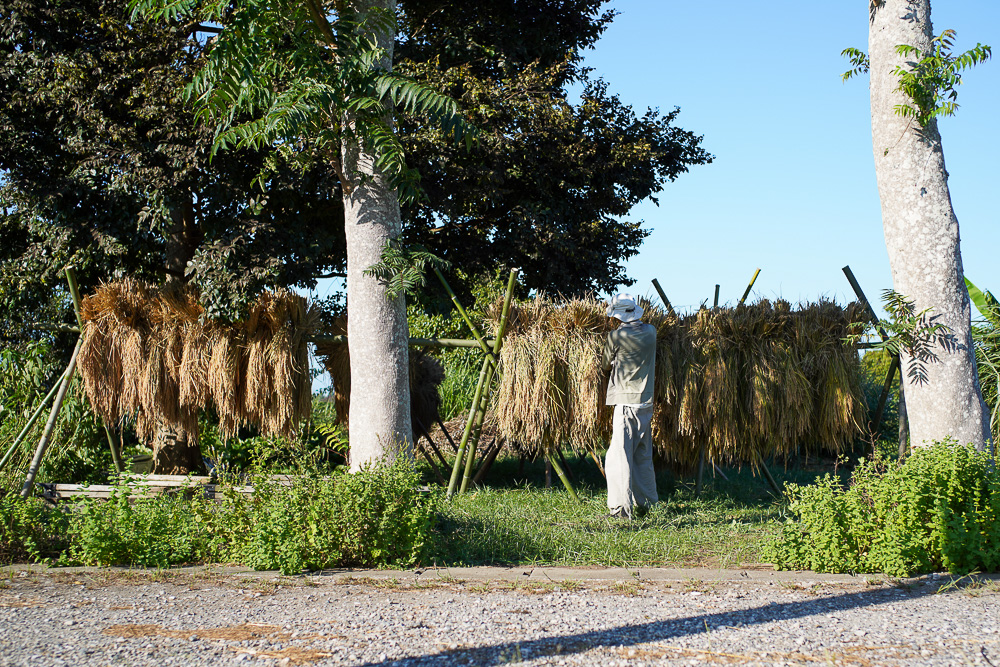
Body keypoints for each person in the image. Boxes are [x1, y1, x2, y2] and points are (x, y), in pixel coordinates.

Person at [602, 293, 658, 518]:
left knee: (619, 456)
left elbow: (606, 364)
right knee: (642, 455)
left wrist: (615, 361)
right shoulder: (651, 332)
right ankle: (648, 504)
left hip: (625, 404)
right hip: (646, 402)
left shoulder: (616, 336)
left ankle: (620, 510)